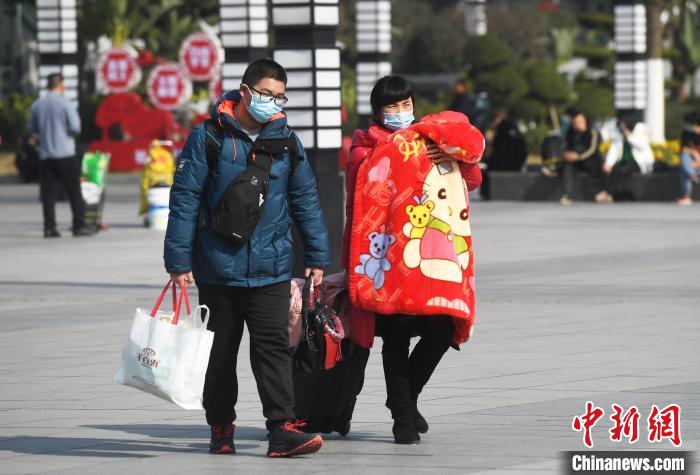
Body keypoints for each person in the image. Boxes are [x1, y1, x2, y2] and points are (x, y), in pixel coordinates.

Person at [164, 59, 331, 458]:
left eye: (278, 96)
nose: (272, 103)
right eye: (265, 94)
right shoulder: (207, 138)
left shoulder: (287, 140)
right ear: (244, 92)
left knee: (272, 347)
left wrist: (317, 255)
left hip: (272, 266)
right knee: (220, 352)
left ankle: (281, 429)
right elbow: (184, 200)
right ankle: (221, 427)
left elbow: (305, 199)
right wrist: (178, 261)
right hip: (217, 266)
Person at [344, 76, 482, 445]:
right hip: (388, 258)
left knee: (441, 330)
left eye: (406, 105)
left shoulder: (429, 142)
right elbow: (360, 197)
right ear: (377, 111)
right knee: (397, 336)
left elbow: (471, 177)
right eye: (393, 107)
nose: (402, 113)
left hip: (428, 255)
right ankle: (403, 417)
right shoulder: (364, 148)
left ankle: (404, 396)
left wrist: (448, 154)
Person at [28, 73, 93, 237]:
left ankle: (49, 227)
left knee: (48, 194)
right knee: (74, 191)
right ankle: (79, 225)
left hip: (46, 155)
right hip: (65, 153)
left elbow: (32, 128)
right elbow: (76, 127)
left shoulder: (37, 105)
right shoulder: (66, 104)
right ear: (60, 85)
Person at [596, 116, 654, 202]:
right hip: (624, 162)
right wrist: (608, 164)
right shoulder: (619, 135)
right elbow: (614, 150)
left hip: (639, 162)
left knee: (623, 170)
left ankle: (610, 193)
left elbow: (642, 145)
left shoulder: (641, 130)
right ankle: (609, 193)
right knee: (614, 169)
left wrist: (629, 136)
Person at [559, 111, 602, 205]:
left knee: (595, 167)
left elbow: (592, 149)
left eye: (580, 122)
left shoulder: (593, 132)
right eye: (575, 122)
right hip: (575, 161)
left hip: (590, 160)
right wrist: (566, 154)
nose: (577, 124)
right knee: (567, 167)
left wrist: (579, 157)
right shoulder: (570, 132)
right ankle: (566, 194)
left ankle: (598, 192)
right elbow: (565, 146)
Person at [677, 112, 700, 205]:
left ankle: (686, 196)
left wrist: (698, 161)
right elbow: (683, 149)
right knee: (684, 156)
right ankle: (692, 174)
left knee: (684, 170)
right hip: (691, 162)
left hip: (696, 163)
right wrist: (694, 153)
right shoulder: (686, 133)